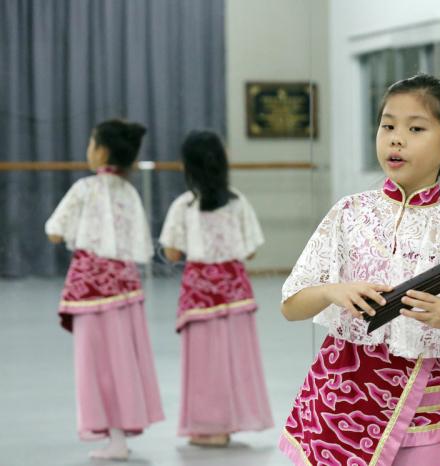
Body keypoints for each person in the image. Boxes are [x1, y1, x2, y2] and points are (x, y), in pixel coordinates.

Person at [278, 74, 440, 466]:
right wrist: (334, 291)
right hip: (341, 398)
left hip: (421, 409)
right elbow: (291, 305)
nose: (396, 138)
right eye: (387, 125)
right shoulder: (349, 214)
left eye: (415, 128)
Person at [45, 119, 164, 460]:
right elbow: (141, 246)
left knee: (94, 363)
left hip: (90, 291)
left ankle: (112, 435)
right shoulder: (130, 192)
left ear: (100, 151)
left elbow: (54, 229)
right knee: (122, 360)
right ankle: (120, 433)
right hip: (125, 288)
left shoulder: (85, 189)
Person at [160, 130, 274, 447]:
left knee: (202, 363)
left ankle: (209, 427)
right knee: (237, 359)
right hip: (235, 290)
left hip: (198, 293)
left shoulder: (184, 206)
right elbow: (250, 250)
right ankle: (236, 419)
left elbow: (170, 252)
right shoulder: (237, 202)